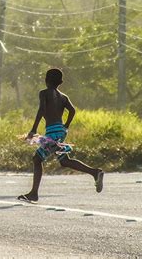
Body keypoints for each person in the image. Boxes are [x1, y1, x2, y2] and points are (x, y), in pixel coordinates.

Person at [18, 68, 104, 203]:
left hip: (52, 132)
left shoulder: (44, 93)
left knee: (37, 159)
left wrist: (33, 129)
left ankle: (34, 193)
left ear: (46, 81)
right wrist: (66, 126)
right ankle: (95, 172)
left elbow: (41, 110)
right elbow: (72, 110)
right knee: (64, 161)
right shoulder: (63, 97)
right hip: (60, 130)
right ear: (61, 82)